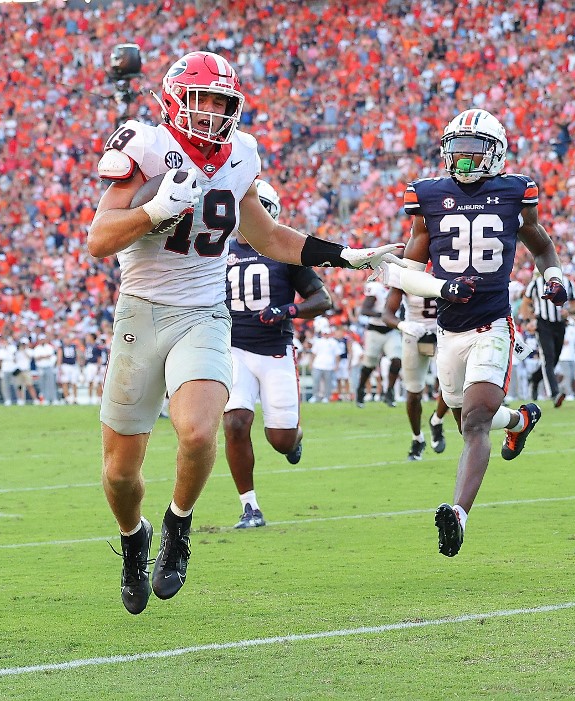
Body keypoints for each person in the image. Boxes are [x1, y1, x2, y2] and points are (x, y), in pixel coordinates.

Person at [86, 50, 402, 614]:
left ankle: (178, 529)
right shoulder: (143, 145)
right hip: (140, 309)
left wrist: (349, 256)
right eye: (200, 100)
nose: (209, 114)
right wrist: (156, 210)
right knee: (119, 472)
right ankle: (135, 540)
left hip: (205, 311)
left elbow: (272, 237)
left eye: (219, 103)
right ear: (175, 99)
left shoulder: (242, 155)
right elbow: (100, 238)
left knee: (200, 433)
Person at [380, 108, 568, 557]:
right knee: (470, 414)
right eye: (456, 152)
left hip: (493, 325)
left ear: (496, 154)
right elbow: (408, 269)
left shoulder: (513, 190)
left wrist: (555, 277)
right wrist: (428, 283)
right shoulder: (426, 195)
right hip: (448, 331)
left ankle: (459, 515)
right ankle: (520, 421)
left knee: (476, 422)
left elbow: (540, 242)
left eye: (474, 152)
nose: (463, 162)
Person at [222, 179, 332, 528]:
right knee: (235, 423)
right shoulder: (219, 252)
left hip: (275, 352)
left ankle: (295, 437)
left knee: (281, 441)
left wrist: (288, 311)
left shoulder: (284, 252)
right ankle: (250, 506)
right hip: (234, 349)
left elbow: (322, 299)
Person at [382, 284, 449, 461]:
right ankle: (417, 438)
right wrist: (403, 325)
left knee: (452, 386)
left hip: (444, 332)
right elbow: (387, 314)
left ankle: (436, 420)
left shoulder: (450, 263)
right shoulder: (405, 272)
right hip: (415, 334)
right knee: (413, 393)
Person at [521, 271, 575, 407]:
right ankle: (554, 393)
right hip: (543, 324)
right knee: (548, 357)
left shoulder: (568, 283)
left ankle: (534, 379)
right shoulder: (536, 284)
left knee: (554, 359)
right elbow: (525, 303)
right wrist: (530, 319)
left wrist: (569, 311)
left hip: (560, 324)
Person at [354, 277, 399, 407]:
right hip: (374, 330)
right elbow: (365, 310)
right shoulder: (376, 288)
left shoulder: (400, 286)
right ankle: (360, 389)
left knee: (397, 360)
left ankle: (389, 392)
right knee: (369, 364)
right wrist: (383, 316)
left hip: (392, 330)